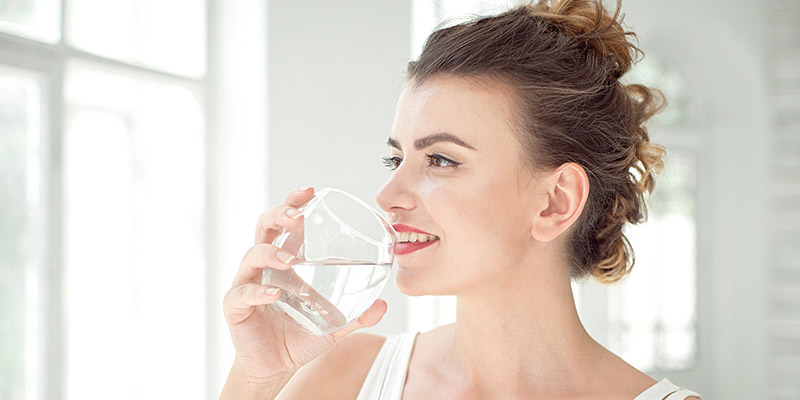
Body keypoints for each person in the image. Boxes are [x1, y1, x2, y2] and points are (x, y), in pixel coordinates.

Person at [220, 0, 702, 398]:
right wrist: (258, 378)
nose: (388, 197)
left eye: (441, 160)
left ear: (556, 202)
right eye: (396, 160)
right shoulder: (344, 378)